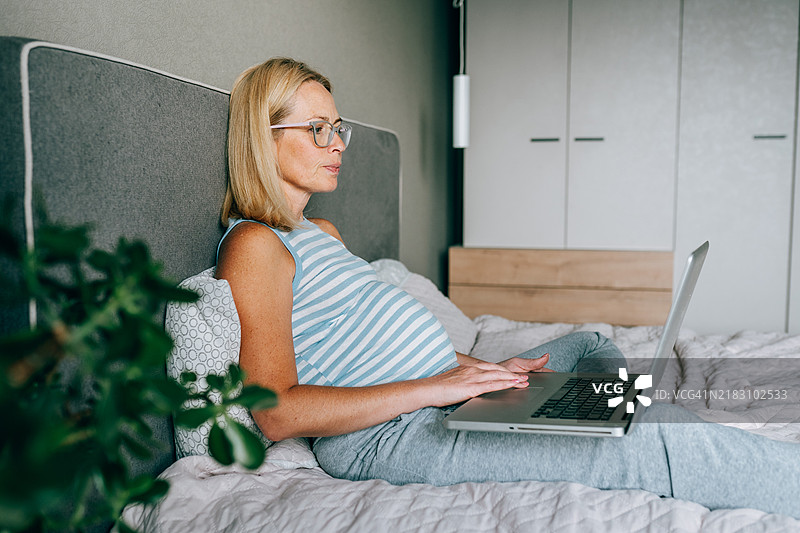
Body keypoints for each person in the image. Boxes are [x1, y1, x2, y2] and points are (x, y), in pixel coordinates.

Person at [214, 57, 799, 519]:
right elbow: (276, 413)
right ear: (263, 138)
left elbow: (379, 341)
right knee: (644, 437)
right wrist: (436, 387)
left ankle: (578, 411)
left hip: (444, 394)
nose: (337, 143)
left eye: (337, 128)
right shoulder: (255, 245)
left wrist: (489, 373)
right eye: (317, 129)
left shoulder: (322, 232)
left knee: (589, 344)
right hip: (388, 434)